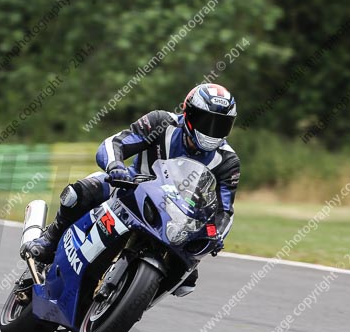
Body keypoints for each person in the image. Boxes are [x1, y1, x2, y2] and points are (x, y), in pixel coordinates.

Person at [20, 83, 241, 296]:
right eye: (206, 121)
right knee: (81, 192)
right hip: (130, 188)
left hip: (177, 220)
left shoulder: (227, 161)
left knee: (186, 279)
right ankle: (50, 240)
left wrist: (217, 234)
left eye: (221, 125)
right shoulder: (161, 122)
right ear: (189, 114)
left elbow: (225, 211)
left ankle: (136, 297)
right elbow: (114, 143)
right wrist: (115, 166)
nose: (212, 131)